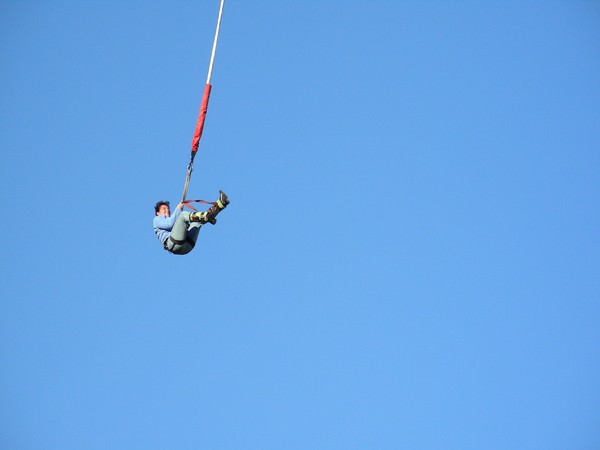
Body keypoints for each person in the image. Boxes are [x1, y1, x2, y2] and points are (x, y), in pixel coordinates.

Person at [153, 190, 230, 255]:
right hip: (174, 244)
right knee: (182, 215)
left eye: (168, 208)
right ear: (157, 212)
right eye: (164, 209)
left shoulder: (174, 220)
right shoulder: (157, 219)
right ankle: (205, 215)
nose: (167, 210)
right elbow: (169, 224)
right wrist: (178, 209)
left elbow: (178, 225)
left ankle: (220, 205)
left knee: (197, 222)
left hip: (187, 245)